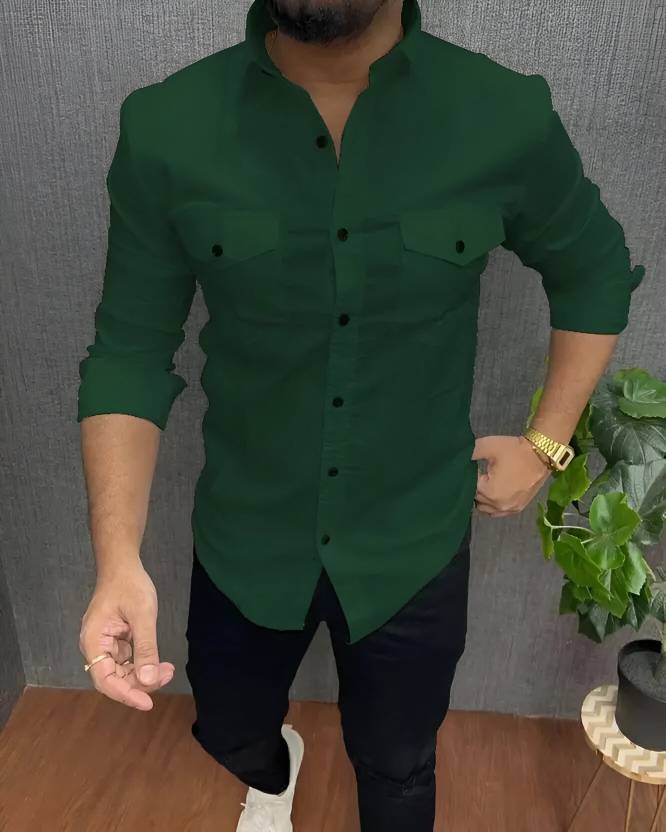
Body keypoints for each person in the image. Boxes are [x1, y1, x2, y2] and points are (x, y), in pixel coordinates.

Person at [76, 0, 645, 830]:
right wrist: (117, 560)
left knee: (400, 761)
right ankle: (271, 773)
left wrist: (547, 443)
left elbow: (593, 269)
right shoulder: (167, 126)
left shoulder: (503, 113)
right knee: (229, 730)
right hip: (246, 536)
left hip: (413, 542)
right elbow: (129, 352)